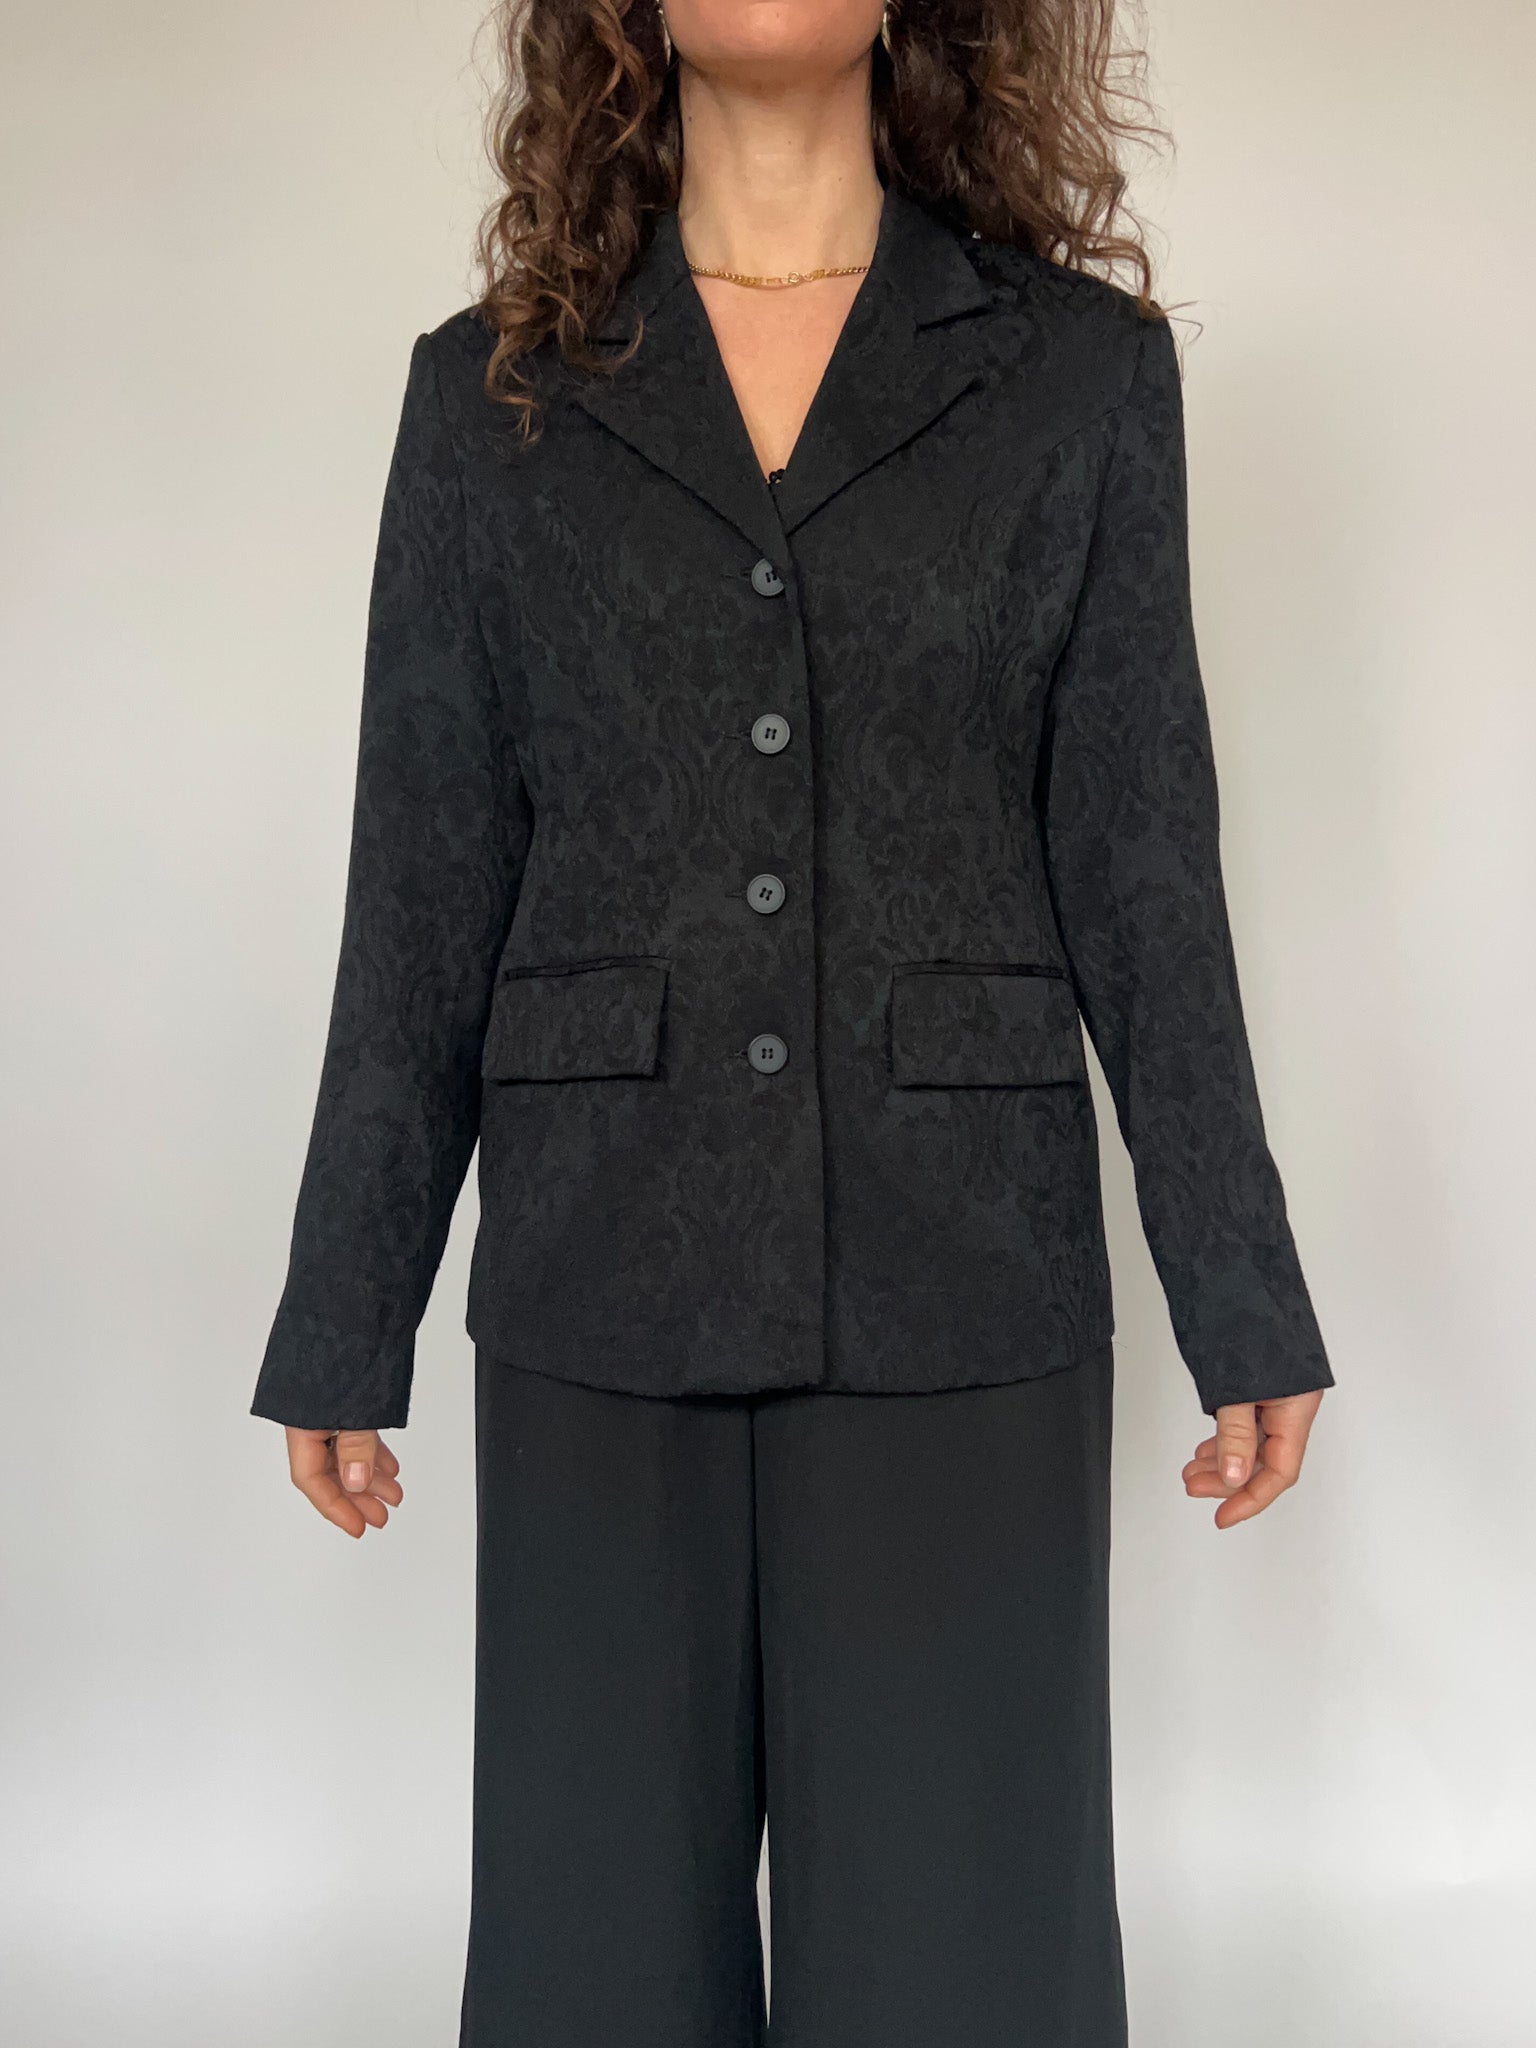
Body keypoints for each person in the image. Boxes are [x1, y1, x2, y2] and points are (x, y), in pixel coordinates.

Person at [251, 2, 1335, 2042]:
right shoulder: (492, 398)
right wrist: (344, 1306)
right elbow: (425, 871)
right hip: (601, 1268)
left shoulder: (1077, 377)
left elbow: (1140, 858)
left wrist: (1240, 1289)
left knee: (964, 1968)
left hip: (964, 1276)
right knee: (594, 1975)